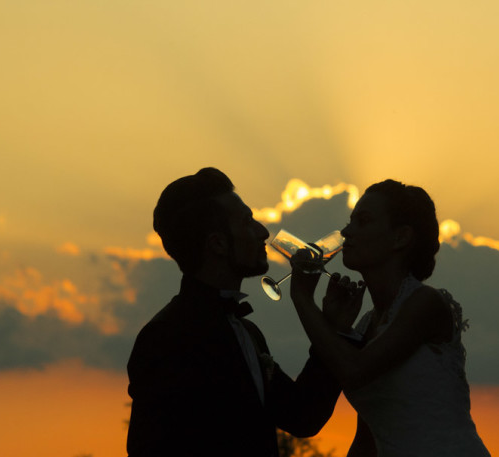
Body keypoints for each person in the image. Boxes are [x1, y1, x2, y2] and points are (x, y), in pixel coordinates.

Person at [126, 167, 343, 457]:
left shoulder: (247, 333)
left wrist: (333, 328)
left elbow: (302, 416)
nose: (262, 232)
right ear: (217, 243)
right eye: (247, 221)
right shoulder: (165, 338)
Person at [289, 179, 491, 457]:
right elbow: (368, 438)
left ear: (401, 238)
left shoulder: (425, 304)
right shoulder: (367, 325)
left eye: (364, 221)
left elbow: (355, 371)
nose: (347, 231)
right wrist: (337, 328)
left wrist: (301, 298)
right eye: (351, 221)